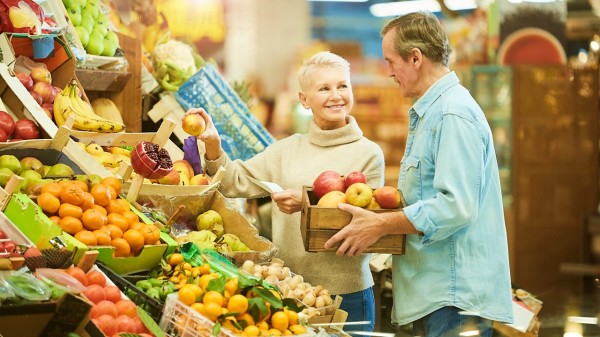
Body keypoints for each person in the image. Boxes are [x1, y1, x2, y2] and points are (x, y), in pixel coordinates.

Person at [324, 11, 514, 337]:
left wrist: (382, 224)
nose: (388, 73)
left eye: (390, 62)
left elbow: (455, 206)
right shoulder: (432, 111)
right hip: (436, 296)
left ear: (415, 58)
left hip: (454, 299)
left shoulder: (452, 113)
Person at [185, 51, 385, 331]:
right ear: (304, 99)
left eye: (343, 86)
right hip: (291, 292)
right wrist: (214, 144)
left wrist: (305, 203)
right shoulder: (286, 149)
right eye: (324, 88)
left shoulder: (368, 154)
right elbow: (234, 181)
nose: (336, 95)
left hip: (348, 295)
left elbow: (364, 222)